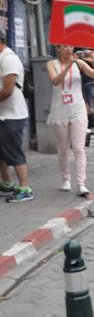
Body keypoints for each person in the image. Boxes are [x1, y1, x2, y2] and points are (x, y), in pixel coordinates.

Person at [46, 45, 94, 197]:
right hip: (60, 110)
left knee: (79, 148)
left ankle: (81, 183)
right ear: (58, 48)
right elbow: (55, 81)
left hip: (77, 109)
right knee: (63, 148)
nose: (68, 49)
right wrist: (68, 66)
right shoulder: (52, 64)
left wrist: (93, 62)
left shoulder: (80, 63)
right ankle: (66, 178)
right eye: (64, 46)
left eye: (70, 46)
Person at [0, 35, 30, 203]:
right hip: (3, 114)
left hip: (12, 115)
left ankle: (25, 188)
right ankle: (7, 183)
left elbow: (8, 89)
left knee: (13, 152)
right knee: (1, 152)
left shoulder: (9, 58)